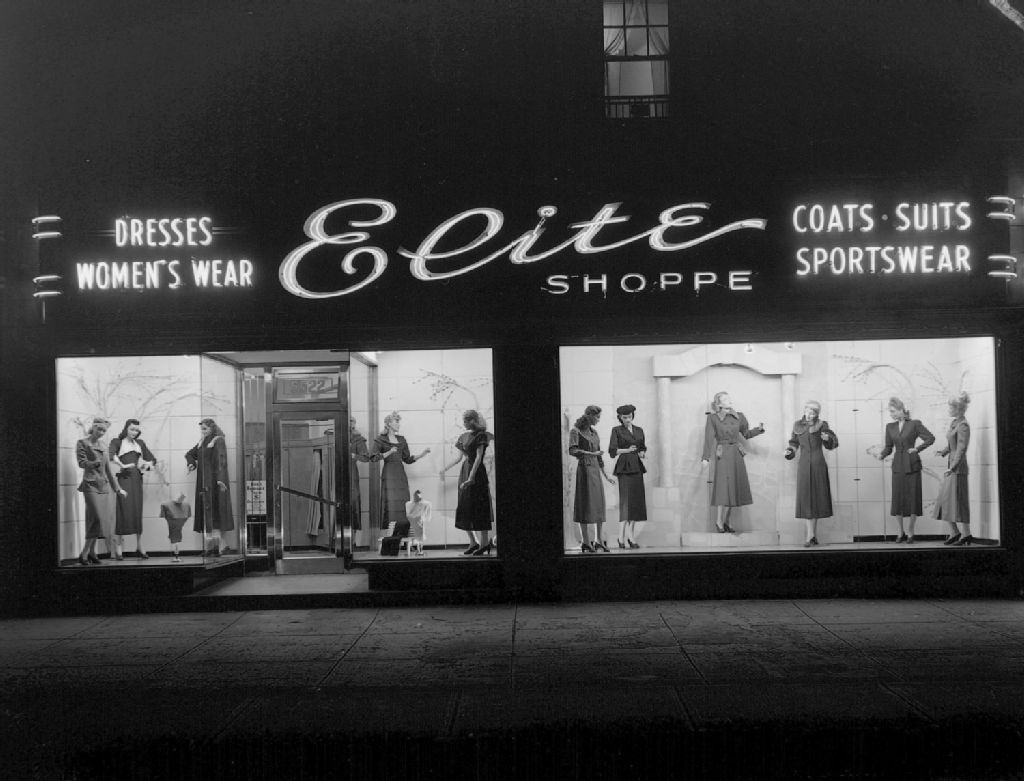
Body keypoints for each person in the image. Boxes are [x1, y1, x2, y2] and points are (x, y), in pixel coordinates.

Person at [701, 392, 764, 534]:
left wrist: (758, 430)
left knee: (734, 488)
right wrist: (705, 458)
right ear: (719, 404)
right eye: (725, 399)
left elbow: (746, 434)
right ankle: (718, 521)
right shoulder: (713, 418)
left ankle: (727, 521)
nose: (729, 400)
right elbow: (708, 439)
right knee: (723, 488)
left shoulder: (739, 416)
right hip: (722, 454)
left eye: (729, 398)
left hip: (736, 454)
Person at [875, 397, 935, 544]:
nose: (891, 414)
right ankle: (900, 531)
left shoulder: (914, 424)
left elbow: (930, 438)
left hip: (912, 464)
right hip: (898, 466)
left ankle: (910, 531)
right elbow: (889, 447)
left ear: (901, 409)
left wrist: (917, 449)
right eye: (890, 412)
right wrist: (882, 455)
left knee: (913, 498)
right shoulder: (890, 427)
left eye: (893, 411)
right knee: (898, 499)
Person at [784, 400, 838, 548]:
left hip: (818, 464)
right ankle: (811, 536)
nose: (809, 414)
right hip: (803, 465)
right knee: (806, 498)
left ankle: (811, 536)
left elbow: (832, 443)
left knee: (816, 499)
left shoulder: (822, 425)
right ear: (804, 410)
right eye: (808, 411)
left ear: (816, 414)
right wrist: (789, 451)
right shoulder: (797, 425)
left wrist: (828, 439)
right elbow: (793, 443)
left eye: (813, 413)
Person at [440, 410, 494, 555]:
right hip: (465, 470)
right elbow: (461, 457)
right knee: (464, 507)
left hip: (477, 473)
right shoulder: (464, 436)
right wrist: (445, 469)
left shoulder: (481, 435)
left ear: (473, 421)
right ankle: (473, 542)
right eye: (463, 421)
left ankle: (484, 543)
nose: (464, 423)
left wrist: (471, 477)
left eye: (466, 421)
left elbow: (478, 458)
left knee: (480, 506)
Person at [75, 417, 126, 565]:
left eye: (104, 430)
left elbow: (108, 470)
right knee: (96, 518)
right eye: (99, 429)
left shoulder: (103, 445)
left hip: (103, 486)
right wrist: (93, 463)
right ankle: (85, 553)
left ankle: (91, 552)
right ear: (94, 427)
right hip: (90, 484)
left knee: (97, 521)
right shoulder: (82, 443)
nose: (102, 432)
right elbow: (81, 463)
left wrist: (118, 489)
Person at [185, 418, 235, 557]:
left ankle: (220, 546)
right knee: (208, 514)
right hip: (204, 482)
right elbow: (190, 454)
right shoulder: (202, 442)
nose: (203, 431)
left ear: (212, 428)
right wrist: (191, 463)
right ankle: (213, 547)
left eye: (205, 429)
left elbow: (221, 460)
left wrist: (220, 479)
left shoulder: (218, 440)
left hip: (214, 483)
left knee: (216, 513)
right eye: (202, 429)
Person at [569, 405, 615, 552]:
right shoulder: (575, 431)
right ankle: (586, 541)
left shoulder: (594, 432)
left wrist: (606, 475)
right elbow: (572, 450)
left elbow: (599, 455)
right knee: (585, 504)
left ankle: (599, 540)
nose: (598, 420)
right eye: (597, 417)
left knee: (598, 505)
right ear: (589, 415)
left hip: (595, 470)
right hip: (584, 469)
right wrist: (590, 454)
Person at [373, 412, 430, 531]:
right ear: (389, 423)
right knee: (390, 501)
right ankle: (390, 533)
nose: (399, 424)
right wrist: (389, 452)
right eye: (397, 421)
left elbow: (407, 459)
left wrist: (422, 454)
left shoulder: (402, 440)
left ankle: (402, 531)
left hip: (400, 473)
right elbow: (373, 457)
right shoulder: (380, 439)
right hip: (389, 473)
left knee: (403, 500)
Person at [109, 418, 157, 559]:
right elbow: (111, 455)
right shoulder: (117, 442)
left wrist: (146, 466)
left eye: (136, 430)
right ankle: (119, 545)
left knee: (137, 510)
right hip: (124, 478)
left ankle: (139, 545)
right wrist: (122, 465)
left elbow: (152, 459)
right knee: (123, 510)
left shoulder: (140, 443)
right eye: (132, 429)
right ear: (126, 428)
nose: (134, 432)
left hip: (136, 478)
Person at [934, 392, 973, 546]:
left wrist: (953, 467)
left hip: (958, 469)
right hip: (951, 467)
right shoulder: (955, 423)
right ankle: (955, 532)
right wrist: (944, 451)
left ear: (958, 409)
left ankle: (966, 534)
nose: (949, 409)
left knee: (959, 502)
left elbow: (961, 449)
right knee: (944, 502)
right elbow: (953, 444)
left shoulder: (963, 425)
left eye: (951, 407)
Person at [608, 404, 647, 549]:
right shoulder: (616, 430)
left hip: (636, 466)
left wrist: (642, 453)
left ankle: (630, 536)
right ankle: (620, 537)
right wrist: (627, 450)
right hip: (624, 468)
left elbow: (642, 447)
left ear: (632, 416)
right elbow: (612, 451)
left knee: (636, 502)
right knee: (626, 502)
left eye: (629, 417)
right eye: (624, 418)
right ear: (620, 418)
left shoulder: (639, 430)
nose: (628, 420)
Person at [348, 417, 379, 537]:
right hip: (335, 471)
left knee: (353, 501)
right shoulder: (334, 435)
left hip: (351, 473)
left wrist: (354, 456)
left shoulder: (358, 439)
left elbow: (366, 457)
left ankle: (352, 538)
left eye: (351, 422)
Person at [159, 492, 192, 563]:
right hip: (172, 527)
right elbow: (163, 515)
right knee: (175, 537)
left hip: (178, 528)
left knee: (176, 536)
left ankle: (177, 554)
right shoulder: (165, 505)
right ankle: (176, 553)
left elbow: (188, 515)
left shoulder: (187, 505)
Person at [404, 489, 432, 556]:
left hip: (420, 522)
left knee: (420, 535)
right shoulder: (409, 504)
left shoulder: (426, 504)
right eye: (415, 496)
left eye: (417, 496)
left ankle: (420, 549)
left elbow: (427, 515)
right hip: (412, 523)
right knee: (416, 535)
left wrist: (423, 519)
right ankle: (417, 548)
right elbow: (408, 514)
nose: (416, 497)